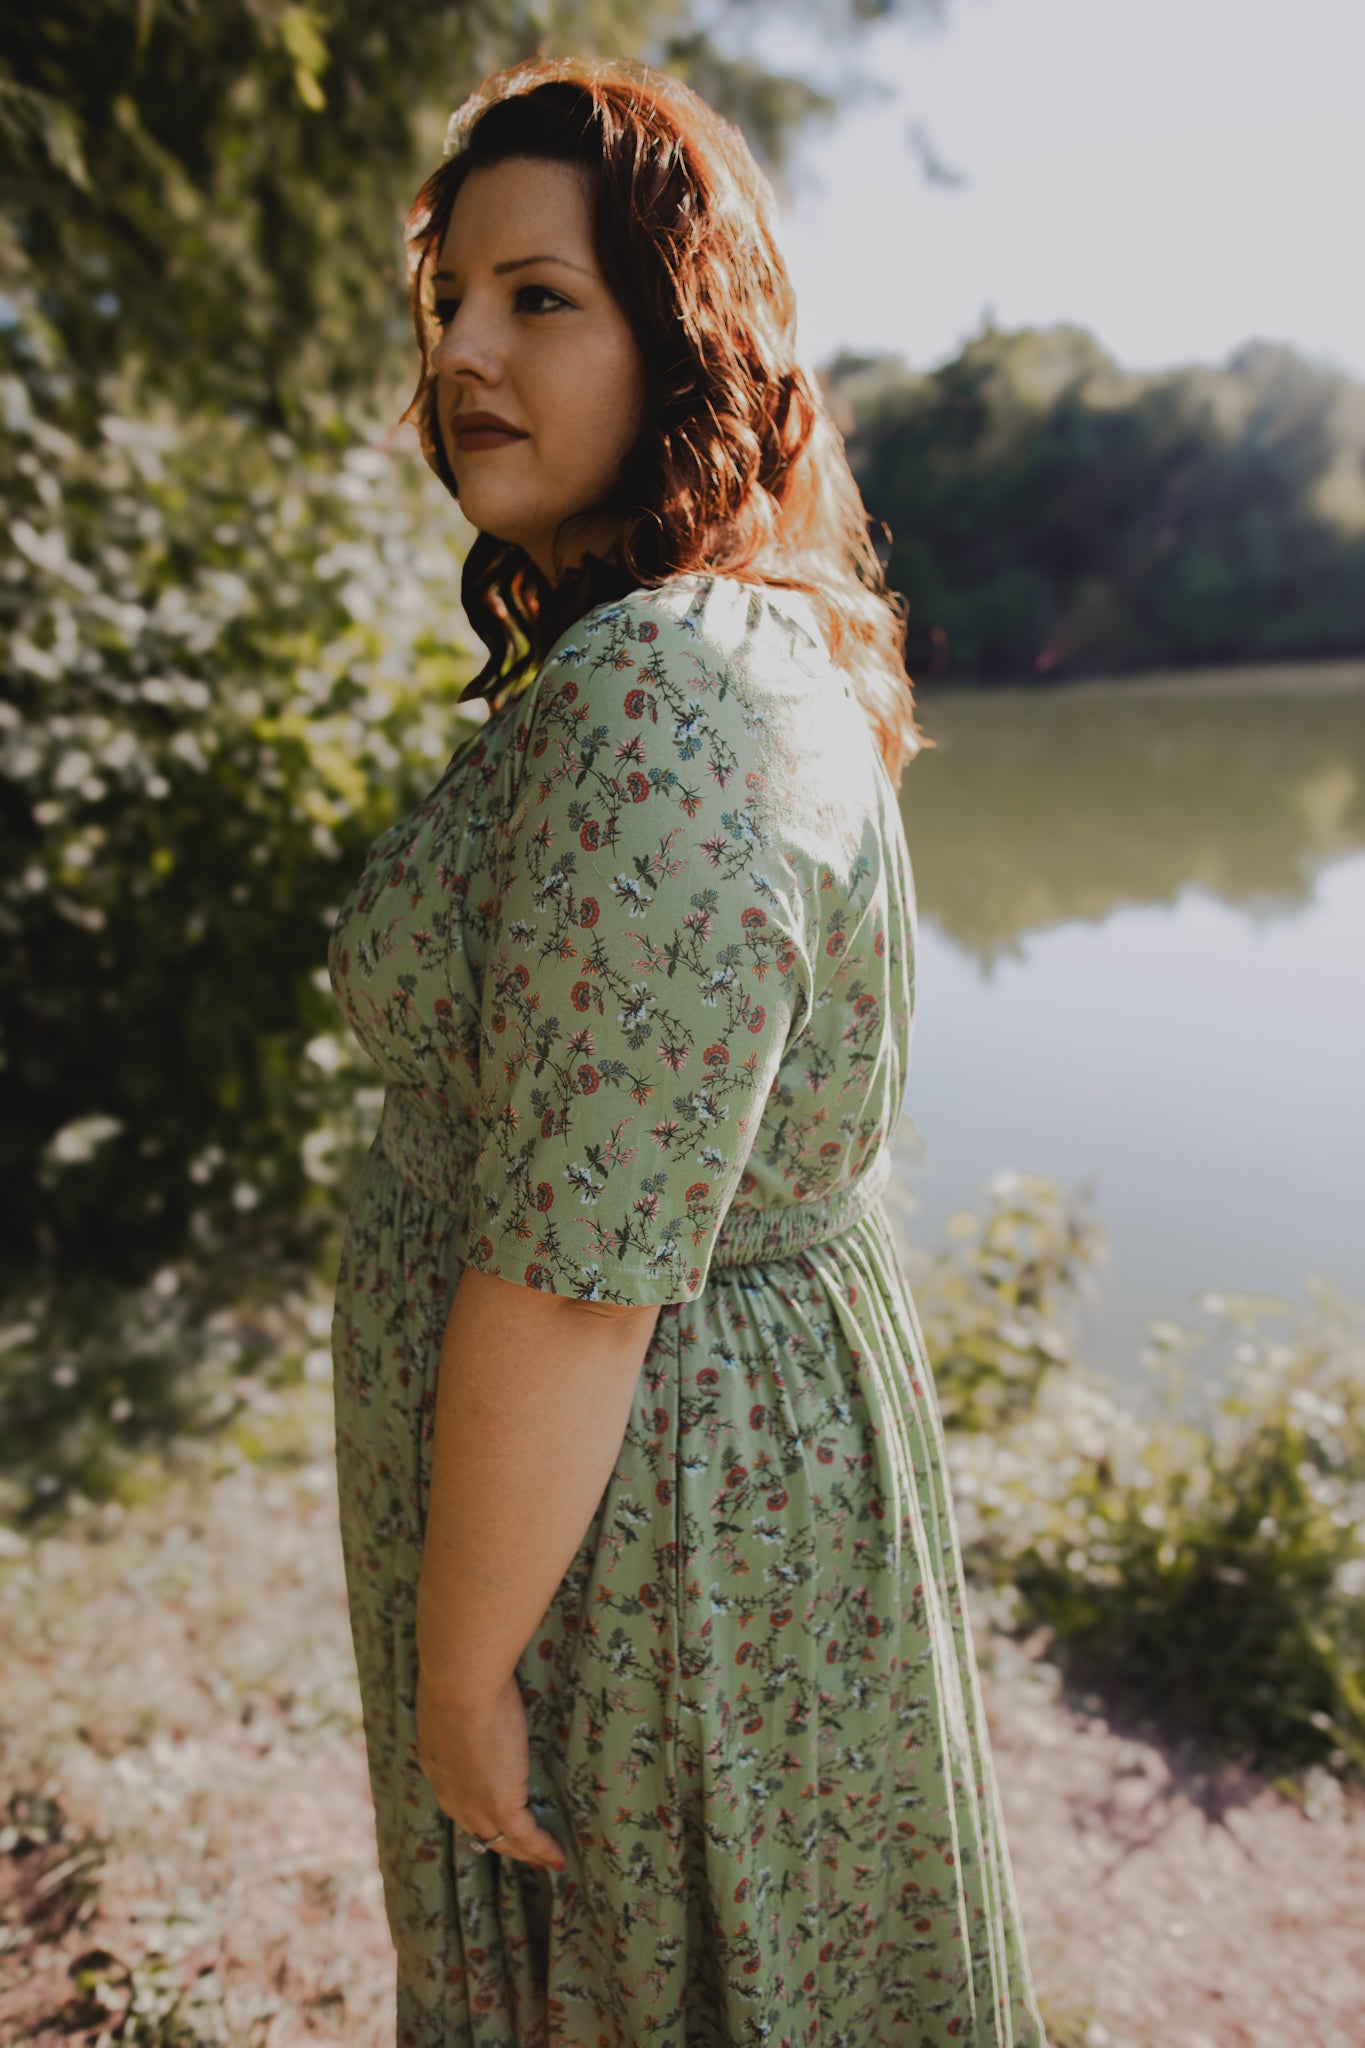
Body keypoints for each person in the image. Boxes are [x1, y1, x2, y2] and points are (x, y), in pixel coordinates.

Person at [327, 51, 1048, 2048]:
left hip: (644, 1557)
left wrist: (461, 1665)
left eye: (537, 297)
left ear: (680, 337)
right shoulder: (679, 646)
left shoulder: (661, 697)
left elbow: (576, 1276)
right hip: (640, 1512)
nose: (462, 346)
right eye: (450, 298)